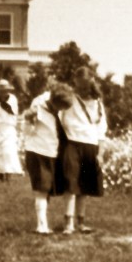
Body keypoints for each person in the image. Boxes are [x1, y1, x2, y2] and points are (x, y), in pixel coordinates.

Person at [58, 68, 107, 234]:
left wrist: (100, 154)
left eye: (86, 85)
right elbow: (59, 120)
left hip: (91, 146)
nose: (83, 89)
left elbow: (102, 131)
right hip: (72, 144)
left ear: (91, 83)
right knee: (71, 184)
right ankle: (68, 223)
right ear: (76, 84)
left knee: (84, 187)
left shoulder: (98, 103)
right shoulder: (69, 100)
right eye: (80, 85)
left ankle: (81, 222)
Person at [22, 81, 74, 235]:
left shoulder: (52, 100)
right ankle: (41, 226)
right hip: (37, 151)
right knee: (41, 190)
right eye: (61, 108)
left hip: (52, 151)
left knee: (46, 190)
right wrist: (28, 119)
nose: (61, 110)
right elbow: (27, 132)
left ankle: (43, 223)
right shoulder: (37, 107)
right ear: (54, 102)